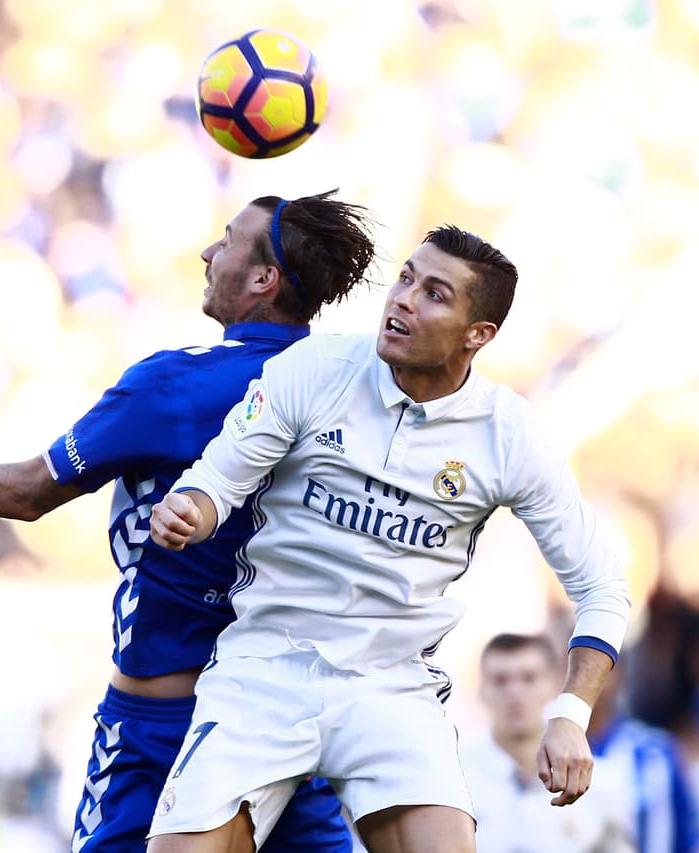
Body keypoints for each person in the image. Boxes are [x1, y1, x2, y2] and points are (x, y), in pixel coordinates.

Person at [0, 190, 379, 853]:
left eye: (228, 241)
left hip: (167, 725)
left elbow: (30, 492)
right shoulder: (352, 389)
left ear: (264, 278)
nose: (208, 253)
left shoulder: (177, 386)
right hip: (288, 720)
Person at [149, 225, 632, 853]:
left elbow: (602, 587)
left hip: (389, 687)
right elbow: (215, 482)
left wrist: (569, 715)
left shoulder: (508, 435)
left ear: (478, 334)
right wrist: (189, 510)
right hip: (265, 669)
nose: (403, 298)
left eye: (434, 294)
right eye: (406, 278)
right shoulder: (315, 369)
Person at [463, 633, 634, 853]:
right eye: (500, 680)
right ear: (481, 690)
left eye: (529, 678)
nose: (515, 693)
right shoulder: (458, 781)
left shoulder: (599, 782)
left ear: (555, 685)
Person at [587, 656, 699, 853]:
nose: (584, 678)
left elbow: (687, 836)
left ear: (620, 675)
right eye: (571, 667)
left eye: (593, 666)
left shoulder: (655, 753)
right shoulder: (543, 756)